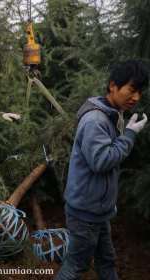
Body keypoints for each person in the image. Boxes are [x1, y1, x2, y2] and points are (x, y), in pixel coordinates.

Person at [55, 60, 149, 280]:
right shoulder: (95, 121)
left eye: (140, 92)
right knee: (75, 267)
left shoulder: (111, 114)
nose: (136, 97)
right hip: (85, 213)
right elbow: (102, 161)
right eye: (132, 90)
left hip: (98, 211)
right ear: (113, 86)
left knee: (106, 261)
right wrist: (130, 135)